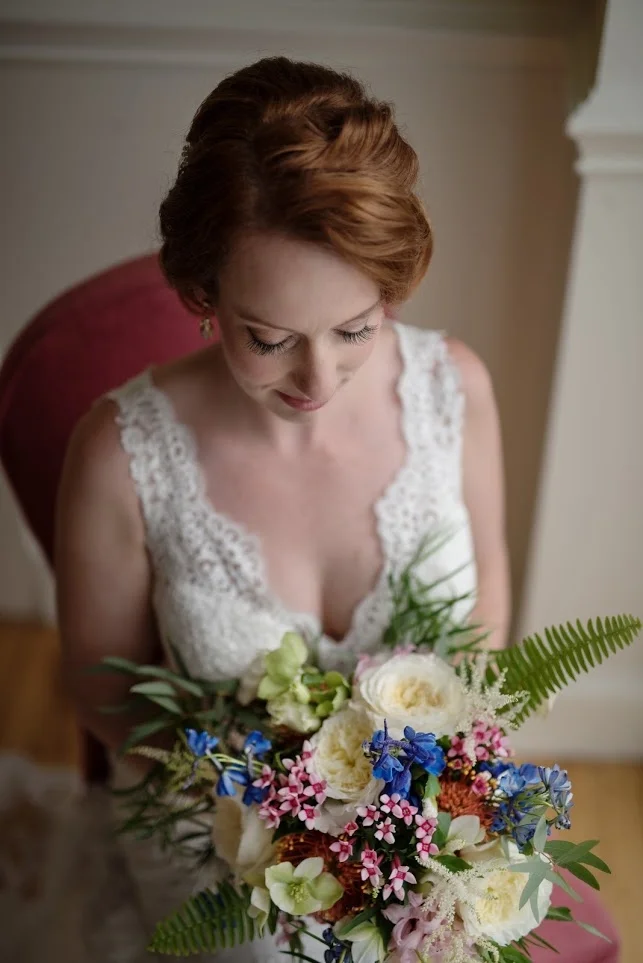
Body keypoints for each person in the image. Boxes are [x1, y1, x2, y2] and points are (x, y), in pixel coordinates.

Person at [55, 57, 510, 962]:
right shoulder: (119, 454)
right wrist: (278, 821)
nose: (318, 377)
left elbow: (487, 596)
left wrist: (424, 804)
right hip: (213, 841)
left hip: (419, 829)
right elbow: (105, 694)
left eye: (356, 328)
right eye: (269, 339)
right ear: (203, 295)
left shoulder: (452, 389)